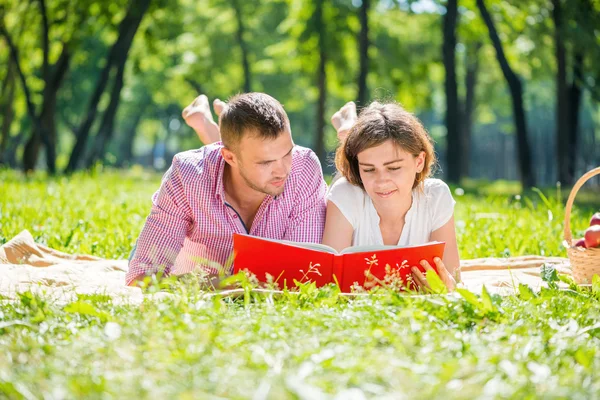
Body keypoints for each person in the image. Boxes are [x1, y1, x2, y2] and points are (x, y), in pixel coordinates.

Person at [126, 93, 327, 286]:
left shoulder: (304, 168)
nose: (282, 171)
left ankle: (207, 125)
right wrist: (219, 284)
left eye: (287, 153)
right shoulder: (187, 176)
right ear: (229, 157)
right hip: (186, 266)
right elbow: (141, 275)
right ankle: (207, 125)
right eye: (266, 162)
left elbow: (303, 274)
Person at [323, 101, 460, 291]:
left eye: (394, 168)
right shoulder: (345, 193)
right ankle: (348, 131)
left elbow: (453, 279)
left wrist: (445, 287)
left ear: (419, 161)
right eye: (369, 169)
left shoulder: (436, 196)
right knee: (349, 169)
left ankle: (350, 129)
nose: (381, 181)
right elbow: (329, 283)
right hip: (352, 188)